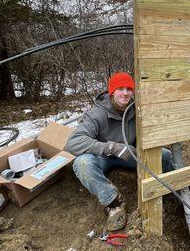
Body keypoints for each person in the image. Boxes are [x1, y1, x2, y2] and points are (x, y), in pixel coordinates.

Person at [65, 72, 176, 231]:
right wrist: (112, 148)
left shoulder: (137, 109)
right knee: (82, 163)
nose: (125, 93)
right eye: (120, 89)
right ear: (112, 92)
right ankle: (114, 202)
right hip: (103, 157)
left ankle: (178, 190)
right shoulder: (97, 114)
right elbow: (73, 142)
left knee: (164, 155)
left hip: (129, 154)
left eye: (129, 89)